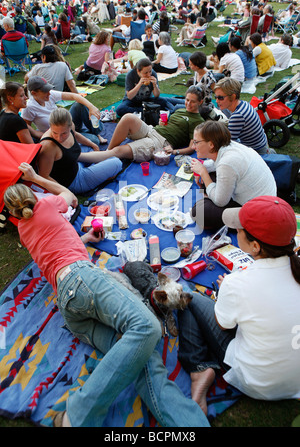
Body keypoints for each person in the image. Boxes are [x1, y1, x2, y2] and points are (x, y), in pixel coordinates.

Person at [3, 162, 210, 428]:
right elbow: (68, 195)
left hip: (69, 308)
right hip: (82, 280)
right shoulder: (45, 206)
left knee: (143, 360)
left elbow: (55, 250)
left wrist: (85, 238)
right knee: (148, 329)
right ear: (33, 197)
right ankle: (77, 415)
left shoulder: (23, 230)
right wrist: (37, 178)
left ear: (13, 212)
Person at [178, 195, 300, 415]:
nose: (235, 232)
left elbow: (223, 325)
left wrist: (227, 291)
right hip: (296, 380)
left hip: (257, 382)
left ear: (255, 246)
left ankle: (199, 369)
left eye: (239, 230)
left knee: (187, 298)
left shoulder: (239, 283)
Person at [190, 121, 277, 230]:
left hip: (258, 211)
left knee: (198, 213)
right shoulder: (228, 147)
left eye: (196, 142)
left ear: (211, 144)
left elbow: (220, 201)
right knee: (210, 176)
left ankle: (208, 198)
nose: (193, 147)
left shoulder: (227, 162)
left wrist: (203, 172)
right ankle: (208, 196)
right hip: (261, 197)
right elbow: (215, 164)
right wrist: (202, 167)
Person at [84, 86, 204, 164]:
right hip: (152, 130)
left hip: (161, 143)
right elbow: (169, 124)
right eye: (187, 100)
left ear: (200, 102)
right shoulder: (180, 109)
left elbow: (191, 147)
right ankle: (106, 154)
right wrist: (161, 123)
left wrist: (175, 152)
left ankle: (80, 156)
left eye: (192, 101)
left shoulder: (198, 121)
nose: (188, 103)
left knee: (118, 151)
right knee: (127, 117)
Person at [37, 108, 122, 195]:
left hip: (75, 162)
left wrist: (92, 144)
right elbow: (44, 176)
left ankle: (96, 168)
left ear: (70, 126)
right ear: (50, 127)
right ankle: (97, 170)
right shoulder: (48, 146)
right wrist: (65, 193)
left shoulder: (70, 126)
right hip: (75, 181)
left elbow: (76, 135)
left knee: (94, 150)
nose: (59, 138)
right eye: (55, 133)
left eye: (64, 133)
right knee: (117, 163)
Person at [21, 76, 107, 147]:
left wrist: (92, 107)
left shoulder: (49, 94)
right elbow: (26, 128)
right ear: (34, 93)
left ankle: (96, 133)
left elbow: (74, 96)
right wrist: (45, 136)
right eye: (45, 91)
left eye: (49, 90)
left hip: (67, 125)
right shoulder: (29, 107)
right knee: (94, 141)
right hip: (60, 134)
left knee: (79, 105)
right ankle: (90, 136)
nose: (49, 93)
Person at [214, 77, 271, 154]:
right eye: (216, 97)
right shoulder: (244, 104)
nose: (217, 101)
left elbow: (229, 144)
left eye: (220, 98)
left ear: (233, 96)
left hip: (256, 151)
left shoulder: (237, 116)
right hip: (262, 143)